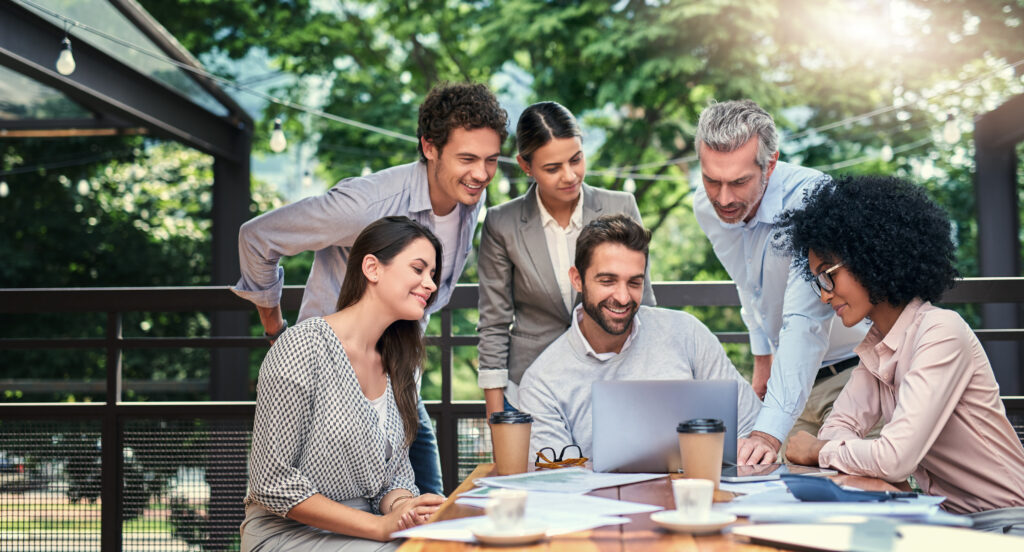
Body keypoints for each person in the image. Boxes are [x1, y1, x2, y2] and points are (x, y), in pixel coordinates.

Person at [232, 83, 509, 494]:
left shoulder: (470, 199)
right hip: (329, 385)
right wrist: (276, 332)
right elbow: (257, 238)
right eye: (467, 158)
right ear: (429, 147)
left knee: (426, 511)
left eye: (490, 160)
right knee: (337, 517)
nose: (481, 174)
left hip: (397, 381)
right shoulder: (368, 204)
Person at [777, 175, 1024, 516]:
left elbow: (894, 458)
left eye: (828, 274)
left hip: (1004, 523)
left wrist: (818, 450)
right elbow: (839, 426)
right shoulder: (877, 347)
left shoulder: (941, 333)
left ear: (868, 257)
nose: (824, 293)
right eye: (817, 280)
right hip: (945, 519)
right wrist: (831, 445)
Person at [242, 216, 447, 551]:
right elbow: (271, 482)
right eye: (418, 269)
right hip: (287, 531)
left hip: (365, 528)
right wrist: (380, 527)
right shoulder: (302, 346)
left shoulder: (401, 365)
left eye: (433, 275)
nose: (431, 284)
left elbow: (394, 477)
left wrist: (403, 508)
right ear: (373, 268)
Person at [692, 99, 871, 465]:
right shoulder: (706, 207)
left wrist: (766, 431)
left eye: (739, 182)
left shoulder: (814, 197)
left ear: (770, 164)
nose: (723, 198)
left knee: (859, 504)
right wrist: (762, 357)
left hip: (856, 376)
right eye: (712, 180)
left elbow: (806, 322)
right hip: (789, 388)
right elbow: (748, 282)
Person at [517, 214, 760, 457]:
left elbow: (750, 425)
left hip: (694, 492)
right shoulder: (542, 383)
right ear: (577, 280)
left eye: (634, 283)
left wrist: (753, 448)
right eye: (608, 281)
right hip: (600, 496)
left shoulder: (687, 334)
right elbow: (558, 480)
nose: (623, 298)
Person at [476, 101, 655, 416]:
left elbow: (646, 305)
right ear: (525, 165)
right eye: (552, 168)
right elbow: (493, 322)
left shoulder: (621, 206)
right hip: (528, 388)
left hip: (610, 385)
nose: (570, 176)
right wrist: (496, 415)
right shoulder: (501, 223)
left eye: (576, 159)